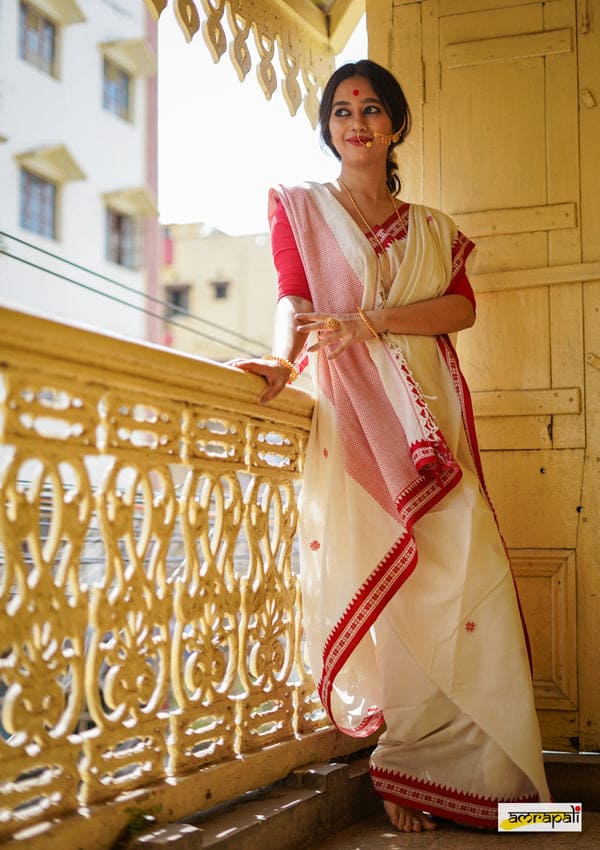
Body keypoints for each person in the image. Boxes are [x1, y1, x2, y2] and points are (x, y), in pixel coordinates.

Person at [233, 59, 550, 833]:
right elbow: (295, 298)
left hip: (431, 423)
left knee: (474, 585)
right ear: (328, 127)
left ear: (395, 125)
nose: (357, 122)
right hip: (358, 423)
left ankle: (511, 801)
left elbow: (459, 311)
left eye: (372, 109)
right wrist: (282, 360)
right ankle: (406, 772)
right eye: (342, 111)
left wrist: (373, 322)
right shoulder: (301, 208)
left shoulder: (433, 229)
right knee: (401, 595)